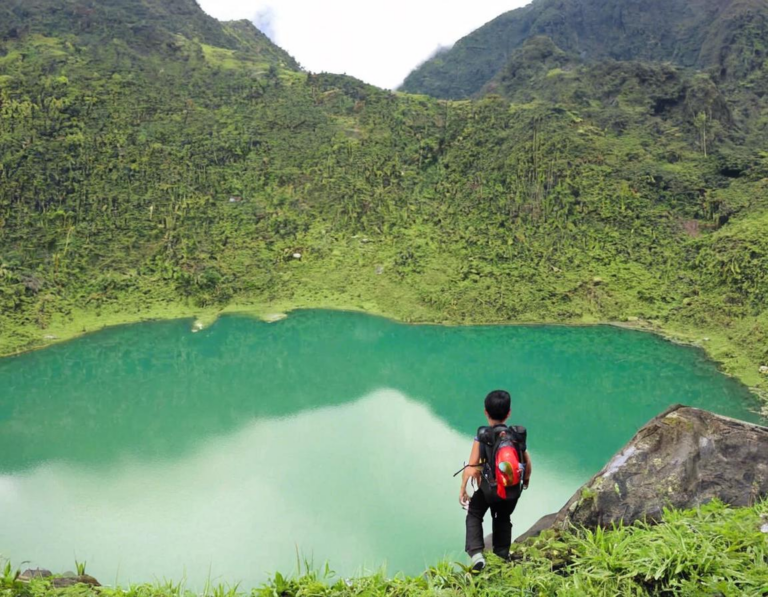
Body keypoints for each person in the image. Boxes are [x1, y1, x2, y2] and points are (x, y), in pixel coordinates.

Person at [459, 389, 532, 572]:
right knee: (503, 518)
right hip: (512, 490)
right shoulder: (516, 435)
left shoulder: (482, 436)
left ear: (485, 412)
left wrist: (463, 489)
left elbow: (472, 466)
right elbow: (527, 462)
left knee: (475, 512)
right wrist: (526, 480)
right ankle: (502, 555)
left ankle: (476, 554)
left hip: (489, 490)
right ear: (509, 413)